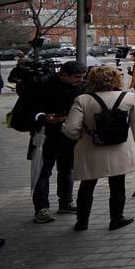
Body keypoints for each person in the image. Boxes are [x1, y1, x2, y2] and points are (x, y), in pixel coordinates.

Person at [62, 66, 135, 231]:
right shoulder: (129, 97)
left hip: (91, 147)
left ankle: (82, 221)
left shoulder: (83, 99)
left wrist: (81, 137)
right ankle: (116, 219)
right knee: (117, 185)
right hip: (120, 148)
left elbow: (70, 129)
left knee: (87, 185)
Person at [30, 61, 86, 223]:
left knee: (67, 170)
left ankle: (66, 202)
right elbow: (27, 110)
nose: (80, 80)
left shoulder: (81, 88)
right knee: (42, 172)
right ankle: (41, 208)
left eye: (82, 77)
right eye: (77, 77)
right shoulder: (42, 85)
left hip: (68, 136)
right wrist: (44, 118)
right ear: (63, 75)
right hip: (45, 135)